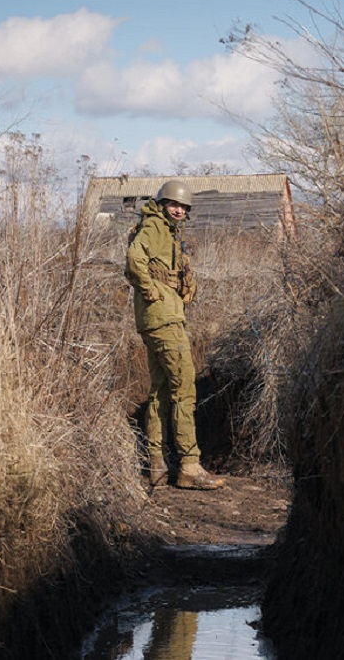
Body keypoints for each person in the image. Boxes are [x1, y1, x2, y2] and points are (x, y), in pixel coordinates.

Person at [125, 179, 225, 491]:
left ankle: (156, 464)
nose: (179, 210)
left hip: (156, 320)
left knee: (160, 390)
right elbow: (134, 258)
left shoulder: (165, 230)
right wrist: (152, 288)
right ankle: (189, 466)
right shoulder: (155, 226)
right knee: (184, 388)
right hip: (164, 319)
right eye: (174, 204)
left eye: (183, 207)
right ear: (163, 203)